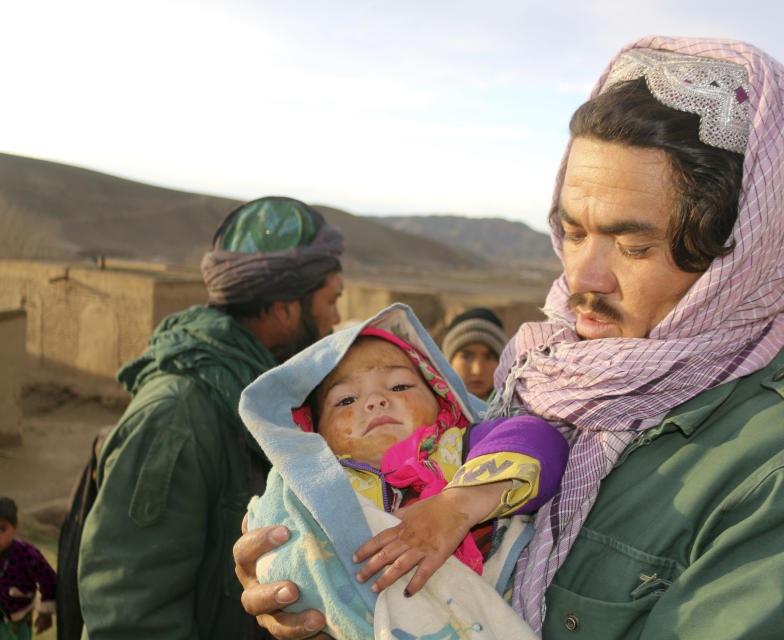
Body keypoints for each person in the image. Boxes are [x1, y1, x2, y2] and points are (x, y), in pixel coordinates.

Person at [234, 38, 784, 639]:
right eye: (575, 231)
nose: (580, 276)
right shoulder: (546, 379)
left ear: (737, 258)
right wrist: (329, 590)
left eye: (632, 243)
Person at [77, 196, 345, 640]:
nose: (335, 319)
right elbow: (129, 617)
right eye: (331, 301)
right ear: (284, 310)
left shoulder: (270, 403)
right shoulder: (175, 420)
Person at [241, 305, 567, 638]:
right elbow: (284, 560)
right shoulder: (315, 490)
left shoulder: (460, 447)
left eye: (398, 387)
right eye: (345, 400)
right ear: (313, 433)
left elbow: (543, 441)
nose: (375, 401)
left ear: (443, 399)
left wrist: (455, 506)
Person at [0, 497, 56, 640]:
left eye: (2, 529)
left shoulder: (26, 554)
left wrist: (45, 613)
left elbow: (48, 579)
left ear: (15, 527)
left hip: (19, 620)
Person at [441, 308, 507, 400]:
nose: (477, 370)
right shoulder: (428, 409)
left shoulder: (522, 410)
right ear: (448, 362)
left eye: (489, 357)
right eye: (466, 357)